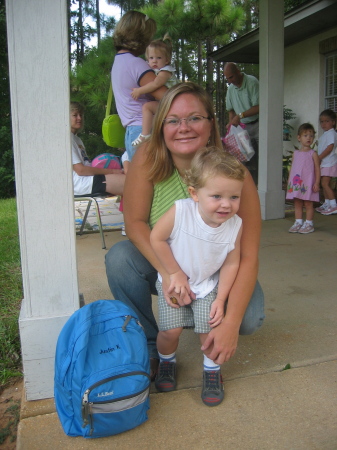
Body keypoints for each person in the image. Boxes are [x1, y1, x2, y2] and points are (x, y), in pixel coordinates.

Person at [105, 82, 265, 386]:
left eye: (194, 118)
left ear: (210, 124)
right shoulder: (147, 159)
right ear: (162, 125)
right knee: (119, 259)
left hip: (216, 271)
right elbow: (136, 222)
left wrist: (229, 323)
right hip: (165, 261)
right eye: (174, 120)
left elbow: (247, 253)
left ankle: (200, 317)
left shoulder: (235, 174)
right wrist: (170, 272)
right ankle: (153, 345)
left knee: (249, 317)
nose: (184, 128)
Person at [150, 147, 244, 406]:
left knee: (209, 334)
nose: (226, 204)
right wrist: (173, 273)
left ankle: (212, 372)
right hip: (173, 283)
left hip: (206, 286)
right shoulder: (181, 211)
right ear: (195, 194)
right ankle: (167, 361)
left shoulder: (235, 225)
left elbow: (231, 262)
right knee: (171, 331)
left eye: (234, 196)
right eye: (216, 196)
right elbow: (156, 239)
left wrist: (220, 298)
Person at [111, 11, 168, 162]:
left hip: (131, 132)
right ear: (141, 36)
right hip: (145, 130)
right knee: (156, 182)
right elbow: (167, 97)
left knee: (140, 182)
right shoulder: (135, 63)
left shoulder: (119, 62)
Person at [130, 35, 179, 147]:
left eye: (159, 58)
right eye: (151, 58)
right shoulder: (155, 70)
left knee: (147, 107)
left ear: (167, 60)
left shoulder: (165, 71)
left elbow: (156, 84)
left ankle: (145, 135)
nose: (154, 61)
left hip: (173, 104)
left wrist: (139, 91)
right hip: (168, 104)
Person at [71, 102, 125, 196]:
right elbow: (81, 170)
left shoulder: (77, 139)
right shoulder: (66, 139)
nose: (79, 118)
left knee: (130, 181)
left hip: (88, 180)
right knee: (131, 183)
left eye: (81, 115)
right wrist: (112, 171)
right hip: (81, 184)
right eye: (75, 115)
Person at [224, 62, 259, 183]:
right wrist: (231, 124)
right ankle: (244, 186)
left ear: (238, 72)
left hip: (258, 124)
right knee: (242, 158)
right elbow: (231, 110)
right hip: (242, 129)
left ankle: (259, 186)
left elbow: (259, 106)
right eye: (227, 78)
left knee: (260, 157)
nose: (230, 81)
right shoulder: (230, 89)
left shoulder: (252, 82)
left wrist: (240, 116)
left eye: (231, 77)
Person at [286, 123, 320, 234]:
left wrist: (317, 182)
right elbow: (293, 168)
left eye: (311, 135)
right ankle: (298, 222)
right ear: (299, 138)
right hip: (296, 183)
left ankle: (309, 223)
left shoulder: (313, 153)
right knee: (297, 202)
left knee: (309, 203)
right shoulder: (296, 153)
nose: (308, 138)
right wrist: (289, 181)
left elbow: (317, 169)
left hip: (308, 183)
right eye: (305, 135)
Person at [315, 109, 337, 216]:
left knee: (325, 183)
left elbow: (330, 148)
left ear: (333, 122)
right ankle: (327, 203)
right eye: (321, 121)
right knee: (324, 184)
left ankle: (333, 205)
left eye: (326, 121)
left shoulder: (331, 133)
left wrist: (319, 157)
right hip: (324, 163)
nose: (323, 124)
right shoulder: (326, 134)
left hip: (329, 163)